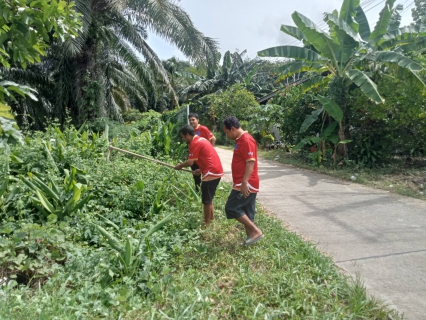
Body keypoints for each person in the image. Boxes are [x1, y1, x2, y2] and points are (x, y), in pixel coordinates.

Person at [223, 116, 263, 246]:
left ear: (233, 128)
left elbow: (250, 162)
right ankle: (251, 237)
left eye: (227, 132)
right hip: (243, 181)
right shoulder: (240, 140)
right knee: (247, 210)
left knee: (231, 207)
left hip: (246, 182)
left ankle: (256, 232)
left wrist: (245, 182)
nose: (226, 135)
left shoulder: (246, 140)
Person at [174, 125, 224, 226]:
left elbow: (190, 162)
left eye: (183, 137)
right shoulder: (202, 140)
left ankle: (207, 224)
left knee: (206, 200)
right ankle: (211, 218)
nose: (183, 139)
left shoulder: (194, 143)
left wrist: (180, 166)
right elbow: (207, 157)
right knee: (209, 198)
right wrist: (200, 170)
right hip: (214, 170)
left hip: (211, 172)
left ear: (187, 135)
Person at [187, 113, 216, 191]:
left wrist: (211, 150)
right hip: (194, 156)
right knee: (195, 174)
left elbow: (213, 138)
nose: (191, 122)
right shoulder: (190, 130)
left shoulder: (203, 129)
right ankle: (197, 190)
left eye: (193, 120)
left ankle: (206, 190)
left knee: (205, 173)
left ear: (198, 120)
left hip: (203, 157)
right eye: (190, 120)